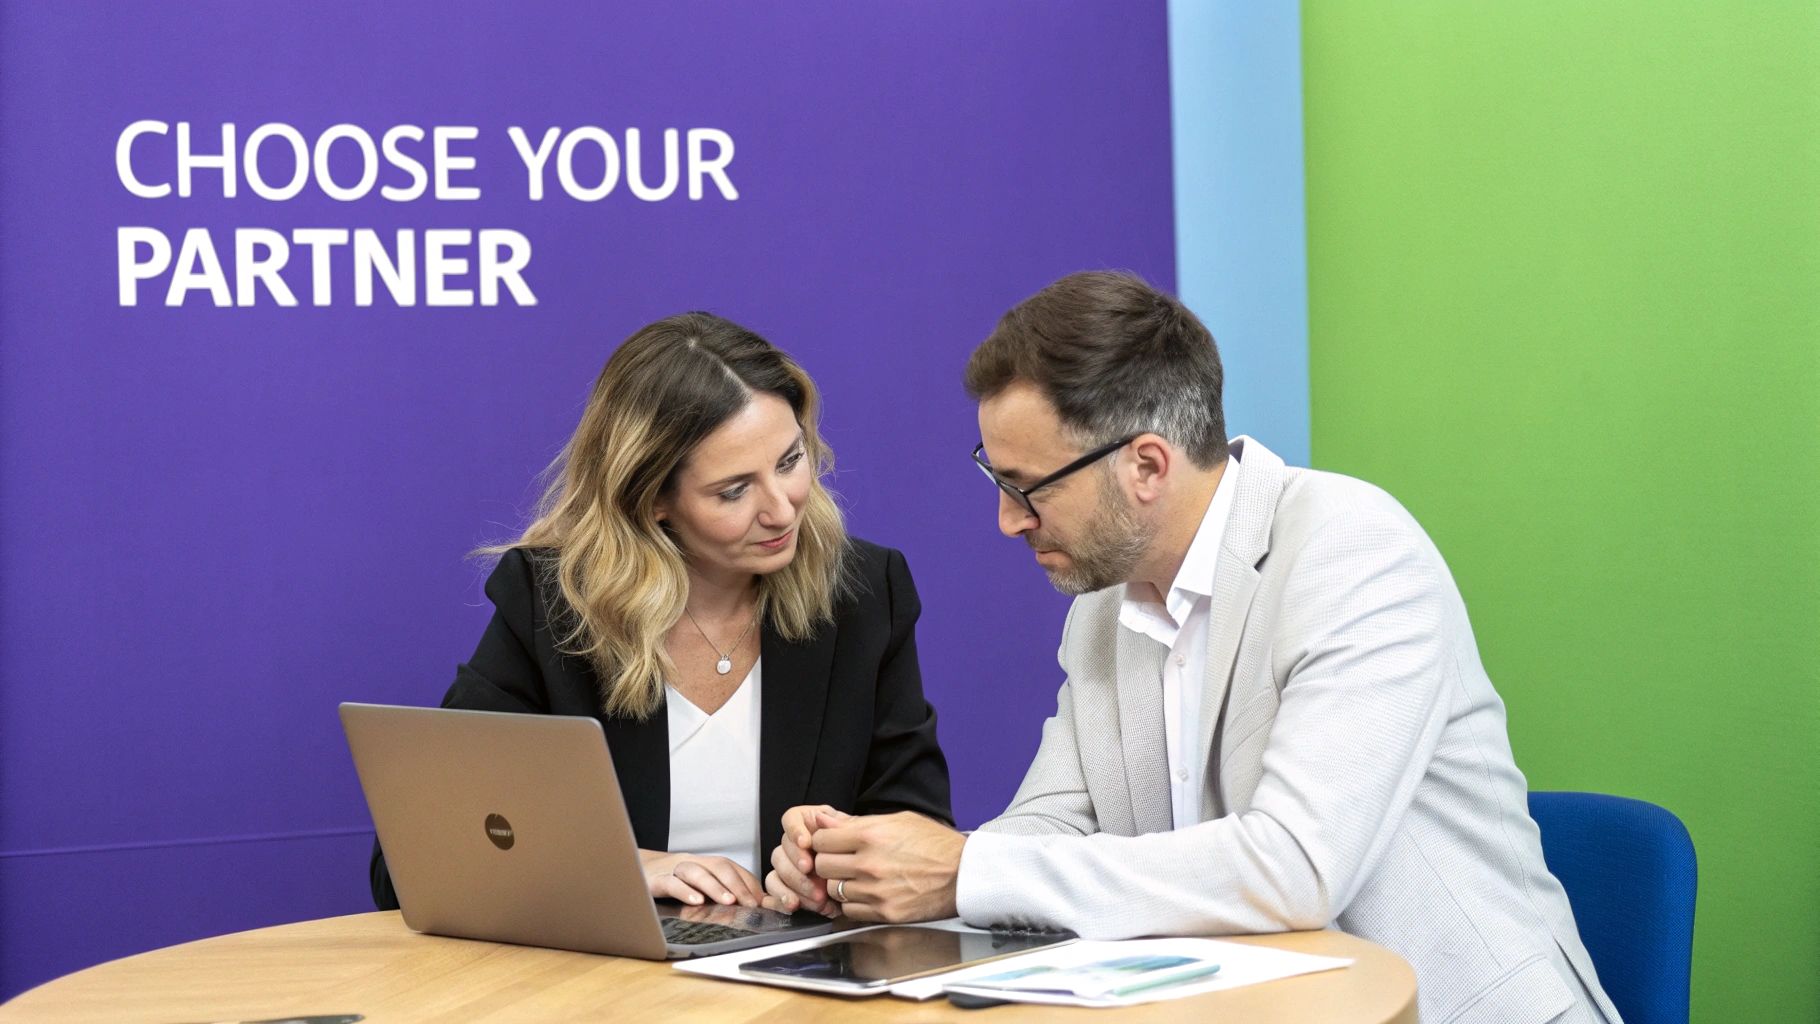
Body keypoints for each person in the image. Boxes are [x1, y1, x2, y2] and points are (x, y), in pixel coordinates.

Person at [763, 273, 1621, 1024]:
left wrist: (963, 871)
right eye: (996, 480)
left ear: (1145, 464)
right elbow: (1050, 823)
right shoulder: (1101, 608)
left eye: (1028, 488)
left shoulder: (1353, 552)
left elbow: (1294, 868)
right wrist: (870, 866)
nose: (1008, 520)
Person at [371, 312, 952, 911]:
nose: (783, 510)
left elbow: (920, 842)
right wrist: (622, 868)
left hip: (801, 981)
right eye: (733, 490)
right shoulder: (553, 605)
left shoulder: (861, 590)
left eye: (789, 461)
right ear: (651, 502)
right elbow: (410, 861)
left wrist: (828, 879)